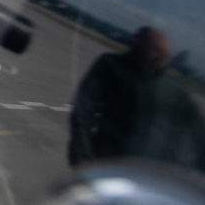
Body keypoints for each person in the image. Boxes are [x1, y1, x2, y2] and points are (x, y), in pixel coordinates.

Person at [68, 27, 205, 169]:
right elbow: (82, 112)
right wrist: (81, 157)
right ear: (142, 49)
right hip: (106, 164)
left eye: (165, 57)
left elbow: (199, 135)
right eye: (157, 54)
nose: (165, 61)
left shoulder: (175, 90)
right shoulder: (111, 66)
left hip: (146, 175)